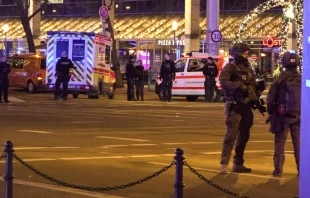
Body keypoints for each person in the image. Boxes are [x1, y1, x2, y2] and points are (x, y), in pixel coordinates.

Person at [219, 43, 264, 174]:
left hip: (246, 107)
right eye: (244, 53)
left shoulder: (248, 69)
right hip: (234, 106)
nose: (247, 55)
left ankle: (238, 163)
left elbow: (252, 84)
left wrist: (258, 88)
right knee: (231, 136)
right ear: (238, 54)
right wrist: (238, 86)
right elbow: (223, 83)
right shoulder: (229, 68)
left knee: (244, 136)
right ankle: (224, 163)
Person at [266, 51, 301, 177]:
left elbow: (270, 99)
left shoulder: (279, 79)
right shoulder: (302, 78)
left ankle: (278, 170)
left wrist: (271, 112)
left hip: (282, 116)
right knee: (298, 144)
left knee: (280, 143)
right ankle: (301, 169)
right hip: (298, 115)